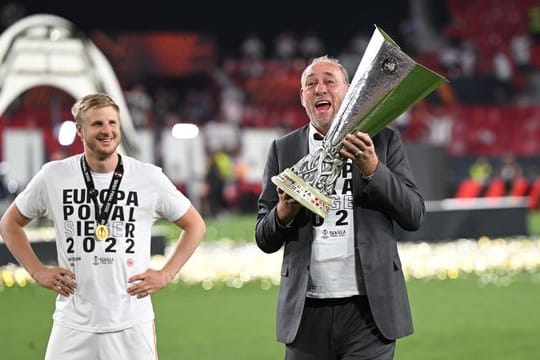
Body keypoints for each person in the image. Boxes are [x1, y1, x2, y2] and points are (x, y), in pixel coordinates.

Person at [0, 93, 206, 359]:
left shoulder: (148, 177)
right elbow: (10, 223)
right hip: (73, 322)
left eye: (112, 123)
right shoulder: (54, 176)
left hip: (131, 323)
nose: (107, 130)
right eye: (97, 124)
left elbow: (195, 225)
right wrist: (37, 271)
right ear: (80, 130)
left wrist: (166, 274)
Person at [255, 56, 425, 359]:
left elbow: (413, 215)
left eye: (329, 82)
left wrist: (374, 169)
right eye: (311, 84)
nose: (320, 89)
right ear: (302, 97)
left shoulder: (382, 141)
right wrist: (283, 213)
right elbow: (264, 237)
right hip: (305, 313)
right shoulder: (284, 149)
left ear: (348, 91)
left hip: (370, 313)